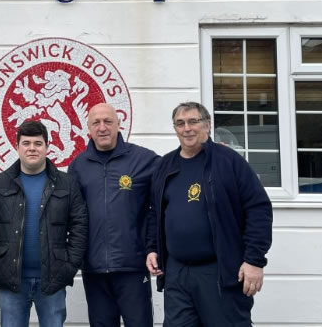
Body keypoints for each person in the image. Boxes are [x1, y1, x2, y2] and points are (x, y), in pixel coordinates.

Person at [145, 101, 273, 326]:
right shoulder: (165, 165)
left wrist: (254, 260)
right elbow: (156, 212)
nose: (187, 128)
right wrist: (153, 248)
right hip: (177, 273)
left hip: (219, 271)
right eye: (180, 123)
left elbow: (258, 208)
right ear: (175, 128)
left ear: (207, 125)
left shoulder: (228, 161)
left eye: (193, 121)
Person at [0, 120, 88, 327]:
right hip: (12, 281)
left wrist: (70, 265)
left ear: (47, 147)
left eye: (38, 143)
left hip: (52, 280)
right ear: (17, 146)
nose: (32, 148)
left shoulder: (67, 183)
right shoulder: (0, 182)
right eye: (26, 143)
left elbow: (79, 226)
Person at [67, 103, 159, 327]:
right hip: (94, 267)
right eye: (96, 123)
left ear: (119, 124)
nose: (102, 128)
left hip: (133, 266)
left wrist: (208, 155)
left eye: (108, 121)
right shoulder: (78, 166)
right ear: (88, 129)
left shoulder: (144, 160)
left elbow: (179, 173)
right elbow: (71, 216)